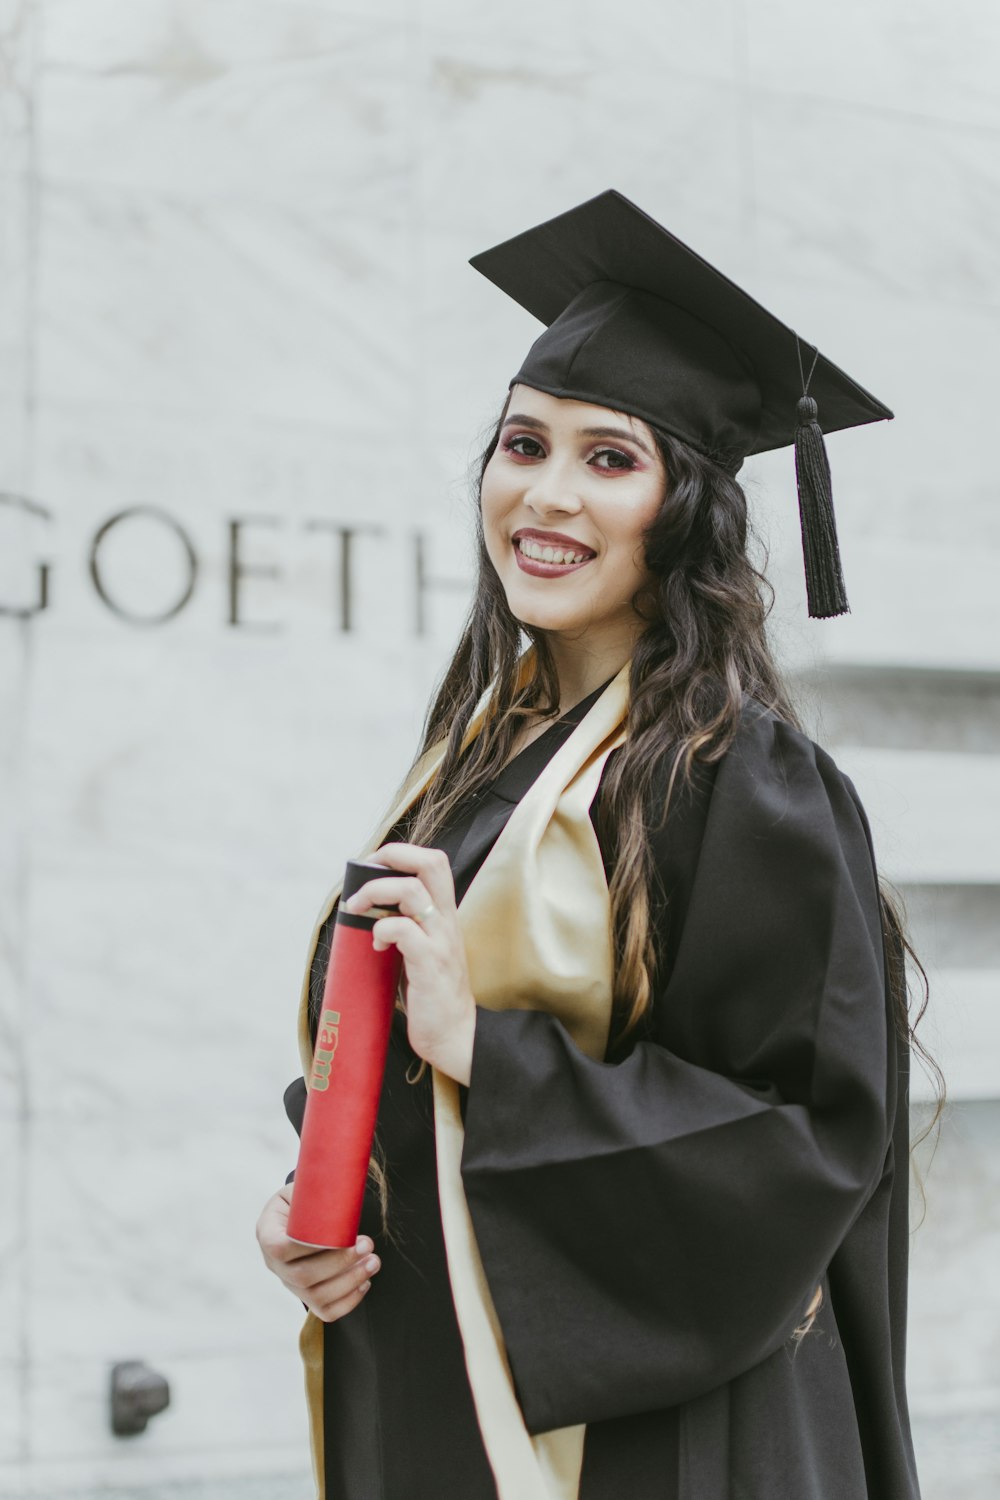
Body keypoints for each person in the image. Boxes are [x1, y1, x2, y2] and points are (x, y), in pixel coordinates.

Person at [256, 191, 929, 1500]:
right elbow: (390, 1069)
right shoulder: (481, 760)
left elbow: (807, 1147)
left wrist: (484, 1054)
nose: (547, 493)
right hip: (439, 1382)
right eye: (523, 444)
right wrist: (312, 1213)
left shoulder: (742, 778)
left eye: (610, 458)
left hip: (649, 1442)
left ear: (686, 506)